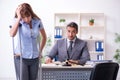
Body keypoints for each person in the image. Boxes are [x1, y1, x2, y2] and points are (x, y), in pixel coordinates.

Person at [9, 3, 47, 80]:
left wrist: (40, 51)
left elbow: (44, 37)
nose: (26, 19)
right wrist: (19, 17)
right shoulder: (18, 21)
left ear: (31, 13)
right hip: (21, 57)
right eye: (24, 17)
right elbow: (12, 34)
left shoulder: (37, 21)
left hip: (35, 58)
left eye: (28, 16)